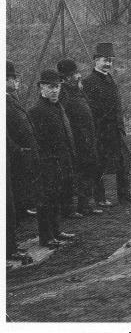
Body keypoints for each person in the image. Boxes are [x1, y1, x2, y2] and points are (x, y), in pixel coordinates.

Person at [82, 43, 131, 205]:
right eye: (105, 60)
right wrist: (99, 127)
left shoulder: (110, 79)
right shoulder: (88, 82)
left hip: (116, 129)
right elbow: (90, 109)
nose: (108, 63)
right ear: (96, 60)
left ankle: (125, 196)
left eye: (110, 60)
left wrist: (120, 126)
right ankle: (100, 199)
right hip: (101, 131)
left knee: (123, 162)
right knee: (99, 165)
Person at [27, 70, 77, 249]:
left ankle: (56, 231)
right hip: (46, 163)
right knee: (45, 200)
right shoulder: (35, 111)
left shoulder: (58, 107)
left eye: (57, 87)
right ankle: (46, 237)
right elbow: (35, 142)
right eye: (51, 87)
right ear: (41, 87)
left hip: (60, 161)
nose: (55, 90)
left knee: (56, 197)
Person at [58, 59, 104, 217]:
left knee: (88, 170)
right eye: (75, 74)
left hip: (87, 139)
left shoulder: (78, 90)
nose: (78, 76)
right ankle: (69, 209)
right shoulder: (63, 94)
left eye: (77, 73)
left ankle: (85, 206)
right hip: (75, 141)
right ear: (66, 78)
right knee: (74, 174)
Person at [6, 61, 36, 262]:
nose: (16, 81)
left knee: (12, 204)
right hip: (10, 159)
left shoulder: (11, 98)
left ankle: (11, 247)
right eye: (13, 78)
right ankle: (9, 250)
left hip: (14, 160)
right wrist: (17, 149)